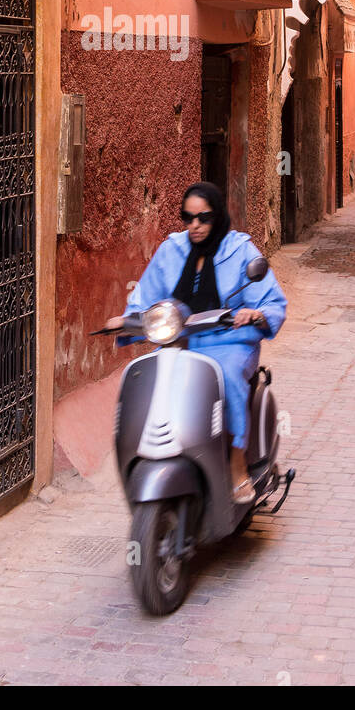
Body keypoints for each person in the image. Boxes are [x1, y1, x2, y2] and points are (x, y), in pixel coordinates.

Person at [104, 181, 286, 505]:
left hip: (228, 342)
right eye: (188, 219)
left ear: (217, 217)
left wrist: (254, 313)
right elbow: (146, 296)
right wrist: (127, 319)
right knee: (149, 376)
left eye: (203, 218)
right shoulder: (171, 249)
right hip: (180, 342)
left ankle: (235, 463)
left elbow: (272, 302)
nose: (195, 226)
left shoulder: (240, 249)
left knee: (227, 377)